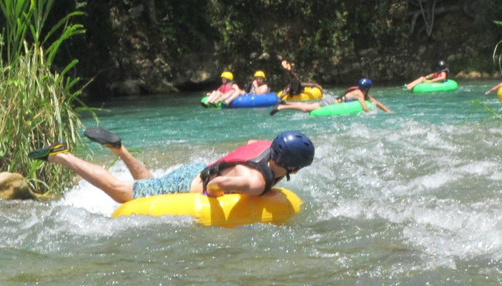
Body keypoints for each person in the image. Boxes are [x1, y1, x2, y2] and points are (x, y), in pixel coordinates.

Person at [29, 127, 315, 203]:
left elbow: (247, 145)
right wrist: (214, 203)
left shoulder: (263, 145)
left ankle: (120, 150)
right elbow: (217, 185)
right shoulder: (255, 183)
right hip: (188, 184)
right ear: (294, 168)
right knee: (119, 191)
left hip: (194, 168)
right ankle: (61, 155)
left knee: (151, 184)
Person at [270, 77, 392, 115]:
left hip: (332, 101)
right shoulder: (359, 93)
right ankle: (282, 107)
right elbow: (365, 107)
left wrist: (388, 111)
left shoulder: (360, 91)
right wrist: (369, 113)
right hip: (330, 102)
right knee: (306, 108)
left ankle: (285, 104)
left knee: (306, 107)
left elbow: (376, 101)